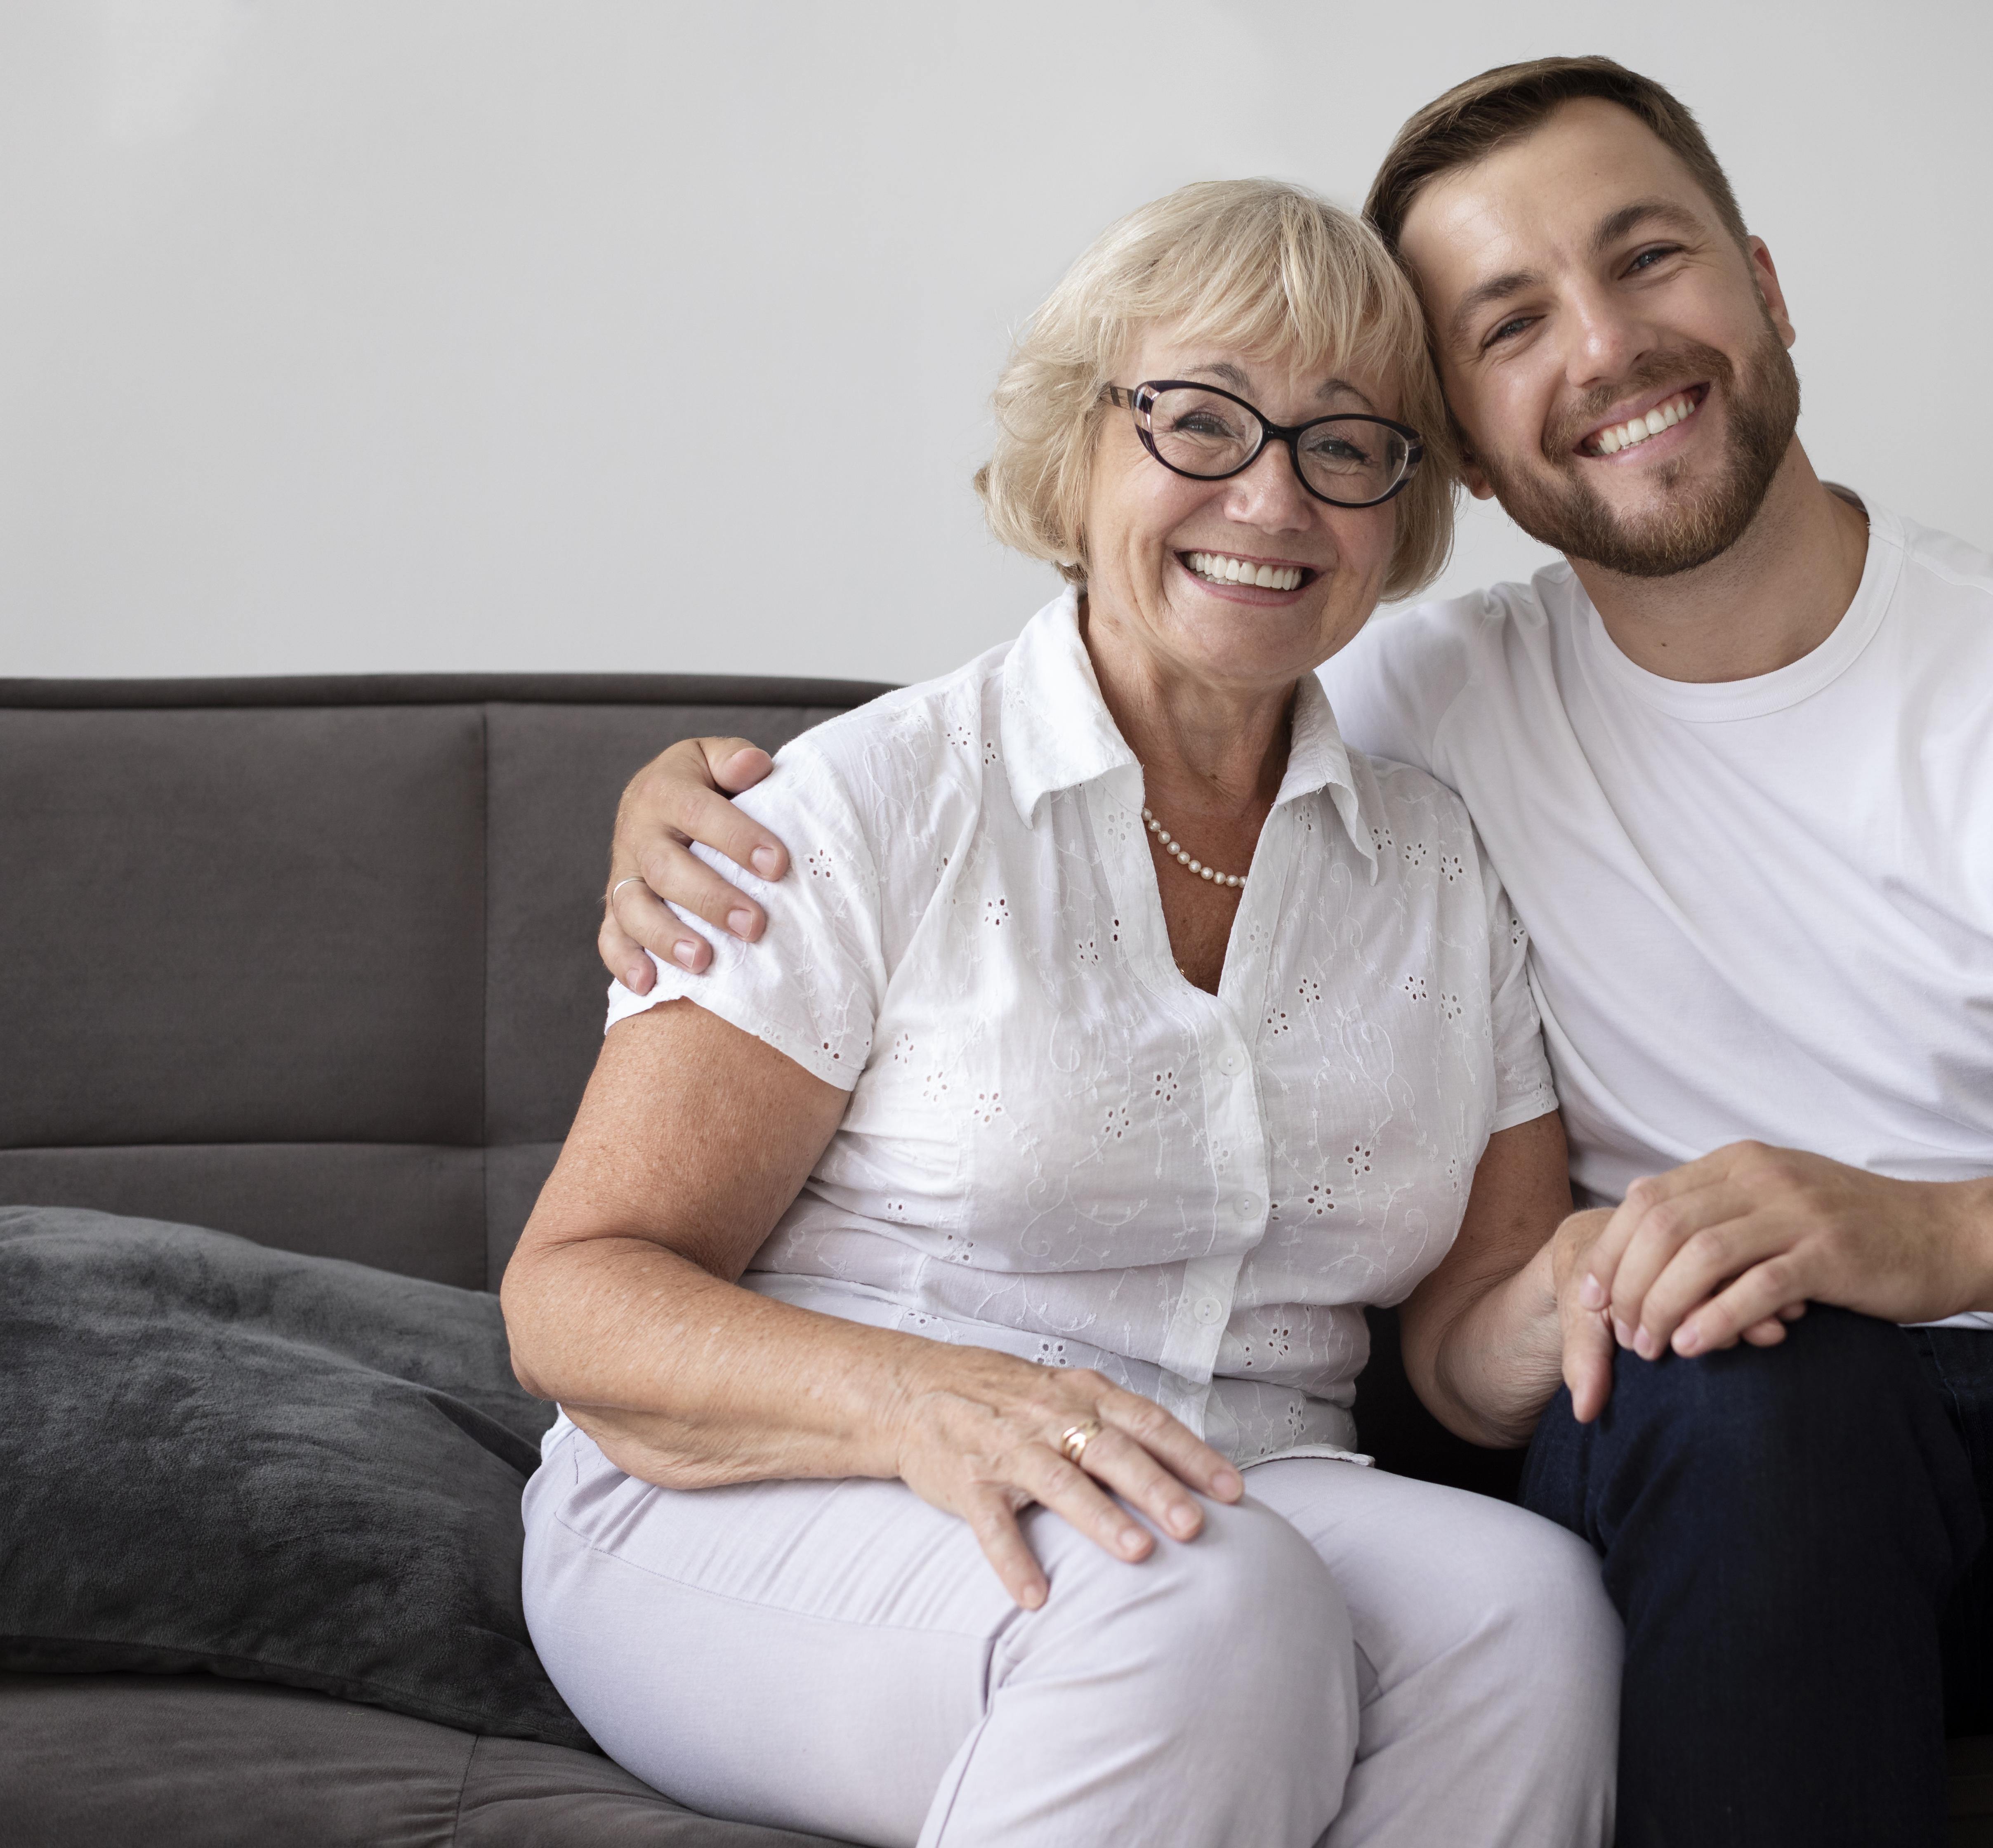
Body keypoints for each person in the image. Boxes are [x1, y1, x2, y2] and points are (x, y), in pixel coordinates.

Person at [597, 59, 1993, 1848]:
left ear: (1763, 282)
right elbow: (1115, 677)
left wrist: (1944, 1234)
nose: (1610, 346)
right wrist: (694, 802)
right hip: (1727, 1465)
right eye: (1511, 320)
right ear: (1464, 444)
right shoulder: (1396, 705)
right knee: (1759, 1375)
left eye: (1649, 261)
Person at [500, 177, 1622, 1848]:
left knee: (1523, 1608)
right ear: (1078, 451)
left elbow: (1467, 1349)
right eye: (1201, 422)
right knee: (1200, 1598)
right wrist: (917, 1399)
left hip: (1240, 1480)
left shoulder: (1438, 865)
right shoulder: (864, 803)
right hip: (786, 1479)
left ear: (1400, 507)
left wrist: (1613, 1271)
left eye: (1346, 442)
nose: (1275, 494)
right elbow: (576, 1298)